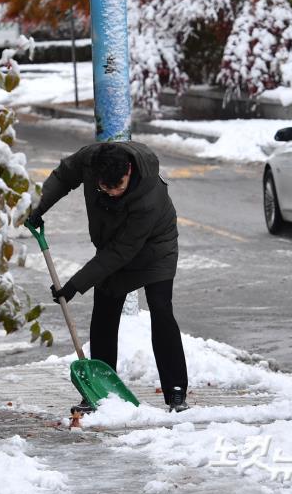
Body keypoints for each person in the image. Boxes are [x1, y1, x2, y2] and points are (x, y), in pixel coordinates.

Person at [27, 141, 189, 413]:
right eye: (105, 188)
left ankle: (176, 392)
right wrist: (35, 209)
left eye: (119, 187)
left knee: (161, 309)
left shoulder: (148, 197)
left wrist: (75, 285)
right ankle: (100, 390)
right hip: (113, 243)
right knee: (103, 313)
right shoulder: (90, 159)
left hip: (155, 248)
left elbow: (120, 252)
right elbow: (63, 176)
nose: (112, 193)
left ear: (128, 171)